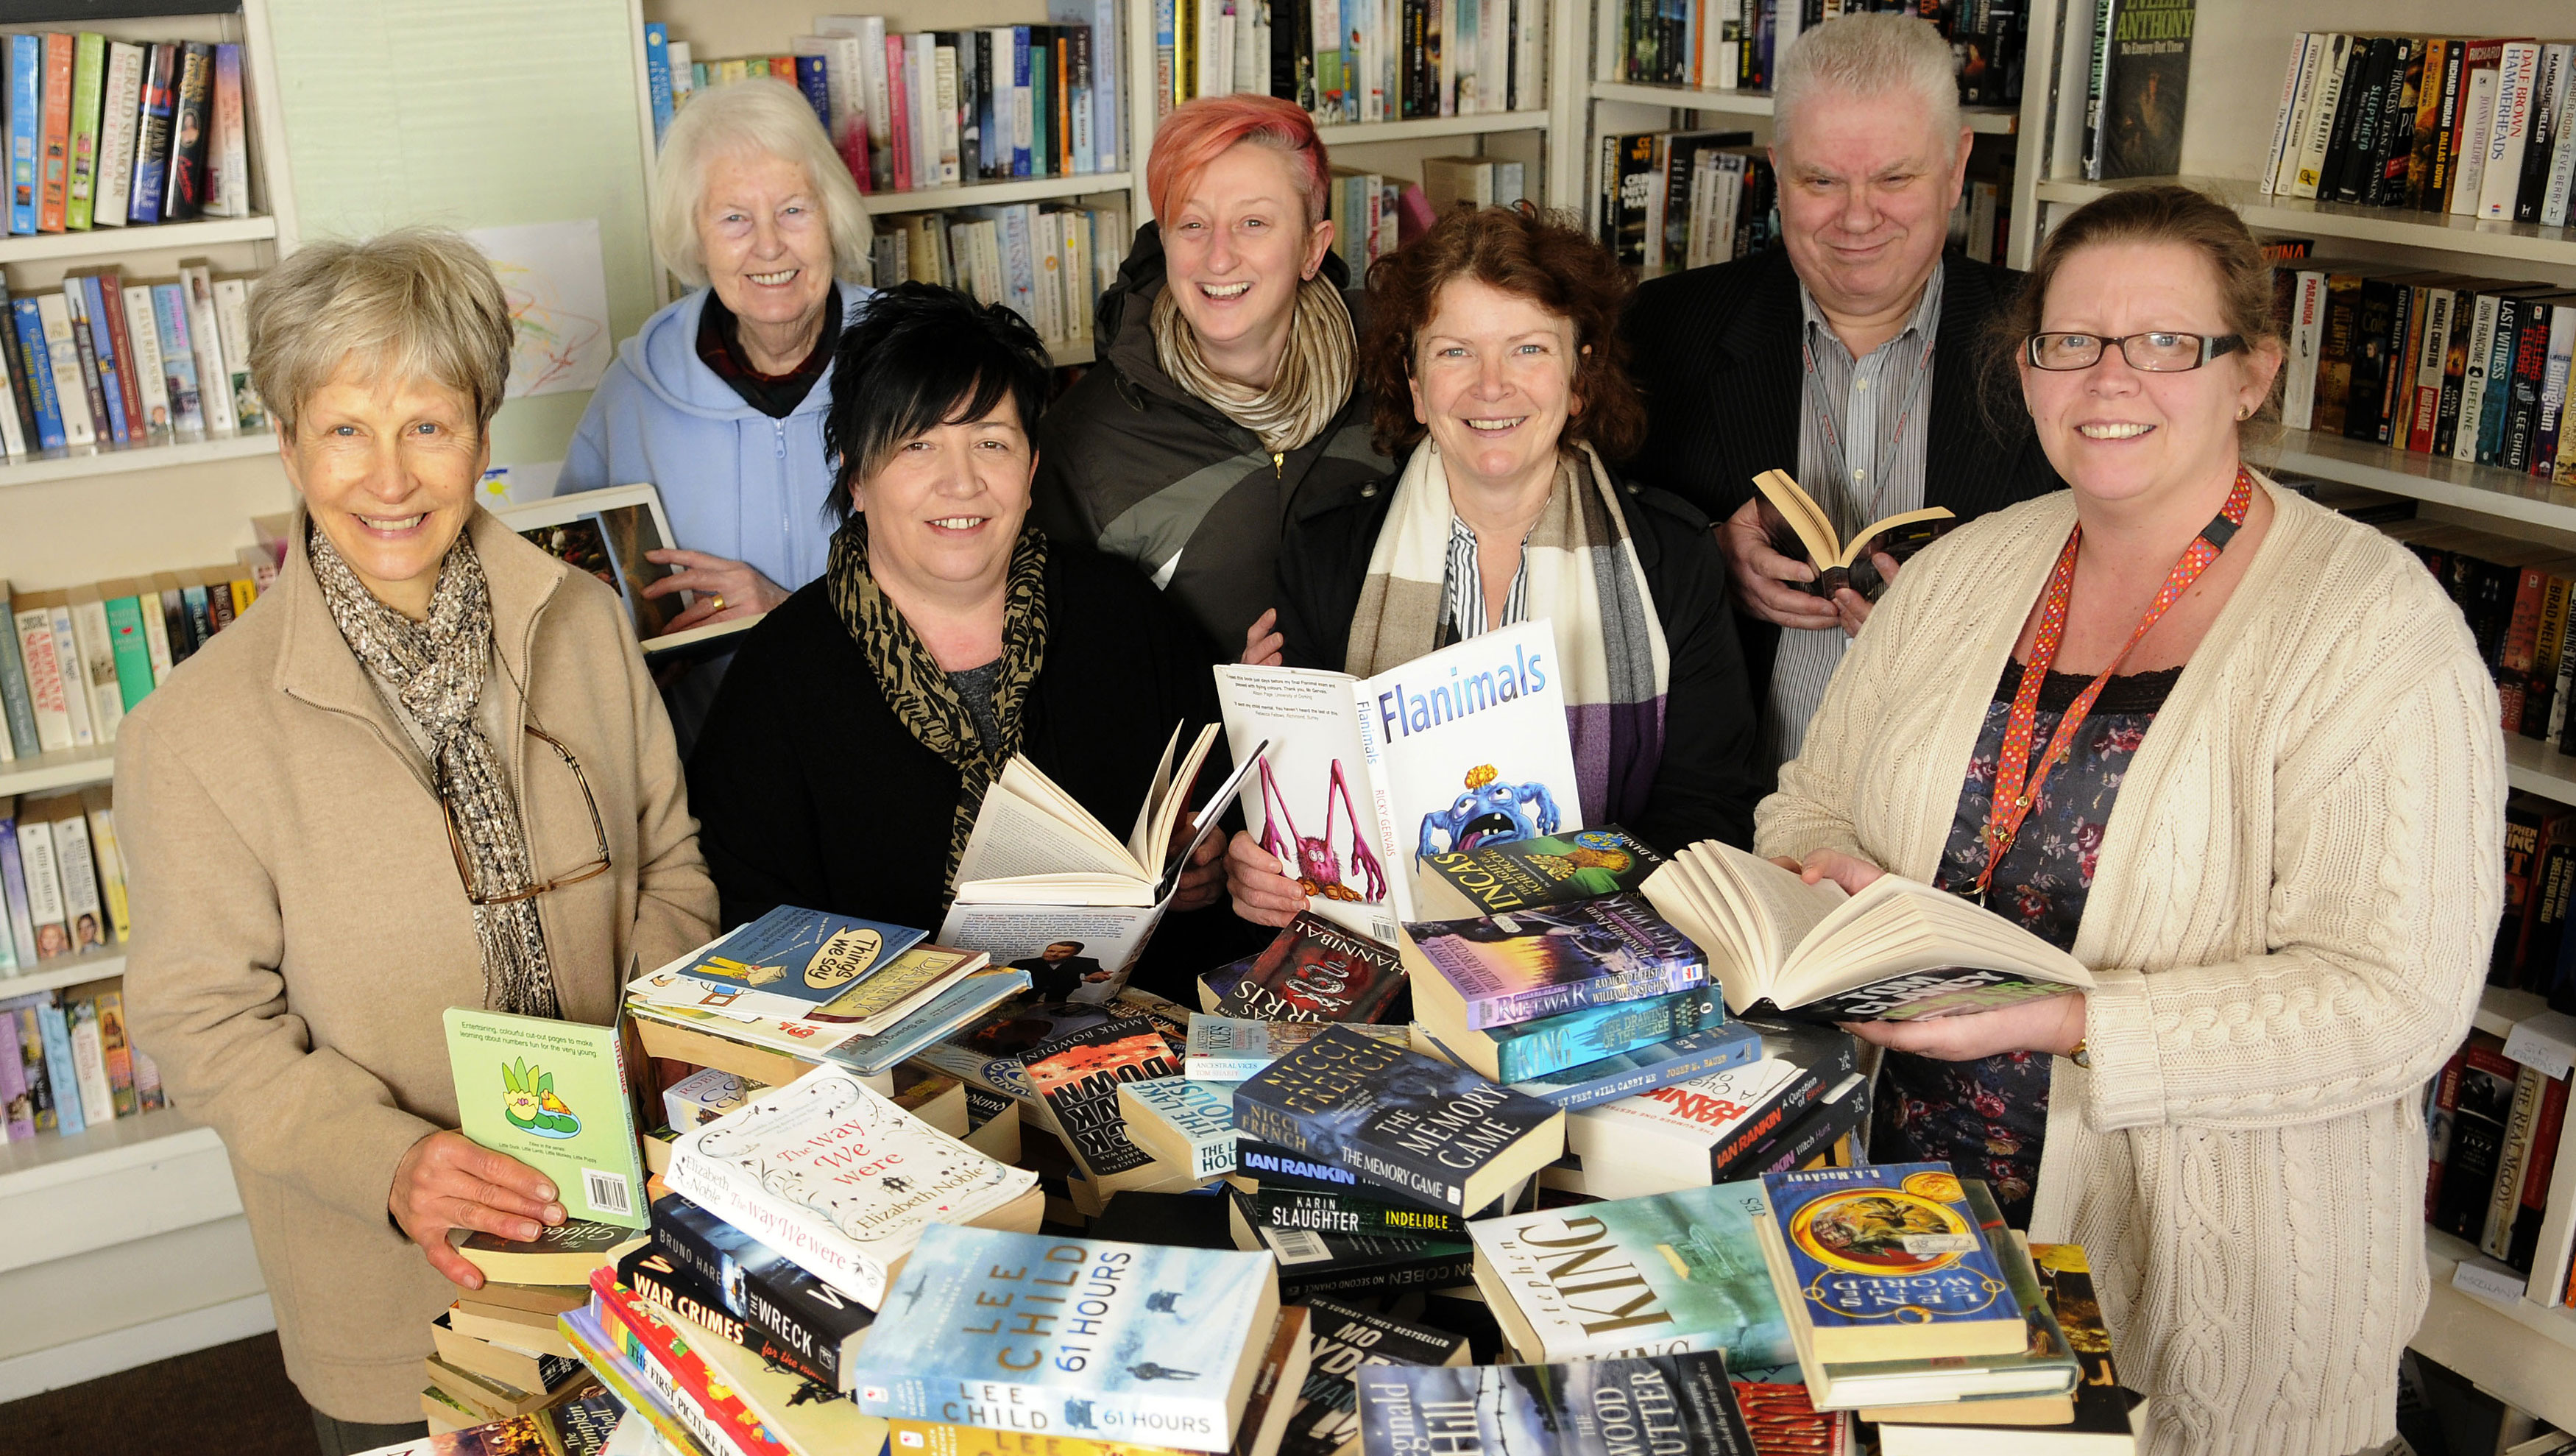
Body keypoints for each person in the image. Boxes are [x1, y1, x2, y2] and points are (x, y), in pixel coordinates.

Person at [1758, 184, 2501, 1453]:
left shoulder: (2375, 629)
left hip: (2204, 1286)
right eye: (2072, 341)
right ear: (2029, 362)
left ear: (2250, 372)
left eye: (2166, 342)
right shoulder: (1961, 571)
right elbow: (1806, 798)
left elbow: (2397, 1001)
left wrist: (2073, 1020)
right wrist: (1822, 864)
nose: (2112, 380)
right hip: (1907, 1221)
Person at [116, 230, 716, 1456]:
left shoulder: (589, 622)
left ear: (482, 437)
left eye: (428, 425)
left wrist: (632, 1063)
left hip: (639, 1226)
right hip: (394, 1292)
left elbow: (671, 857)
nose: (390, 477)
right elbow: (204, 1022)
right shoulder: (191, 731)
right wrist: (394, 1163)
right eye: (345, 429)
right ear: (289, 444)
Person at [688, 283, 1234, 998]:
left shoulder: (1126, 617)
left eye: (990, 442)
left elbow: (1215, 839)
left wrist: (1206, 874)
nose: (961, 482)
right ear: (856, 475)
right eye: (918, 445)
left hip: (1125, 1046)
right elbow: (750, 938)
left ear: (1031, 469)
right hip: (890, 1080)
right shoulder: (779, 678)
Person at [1226, 205, 1761, 925]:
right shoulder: (1323, 556)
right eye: (1453, 352)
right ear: (1414, 385)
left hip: (1600, 972)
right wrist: (1265, 859)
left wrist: (1542, 898)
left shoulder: (1671, 558)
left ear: (1578, 379)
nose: (1490, 385)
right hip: (1391, 978)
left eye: (1528, 349)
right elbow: (1307, 831)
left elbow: (1709, 817)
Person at [1623, 13, 2060, 778]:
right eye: (1821, 180)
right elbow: (1583, 542)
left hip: (1959, 820)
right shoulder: (1659, 331)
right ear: (1776, 167)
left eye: (1894, 178)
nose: (1857, 218)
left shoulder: (2058, 347)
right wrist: (1702, 558)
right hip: (1730, 817)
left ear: (1957, 167)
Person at [1031, 94, 1388, 654]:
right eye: (1193, 223)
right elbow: (1079, 675)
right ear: (1166, 240)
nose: (1218, 258)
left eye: (1253, 222)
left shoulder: (1395, 383)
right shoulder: (1082, 443)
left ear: (1312, 249)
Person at [564, 79, 875, 635]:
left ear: (834, 217)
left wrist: (786, 612)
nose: (770, 245)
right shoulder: (631, 395)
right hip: (699, 723)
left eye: (793, 210)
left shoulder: (917, 362)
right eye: (734, 218)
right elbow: (572, 599)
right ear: (696, 240)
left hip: (891, 717)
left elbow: (981, 583)